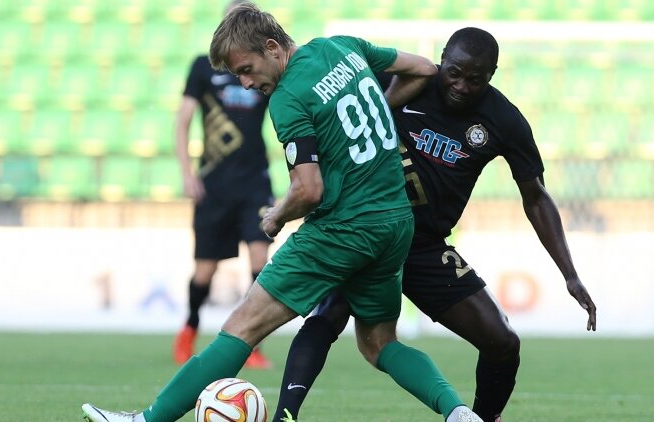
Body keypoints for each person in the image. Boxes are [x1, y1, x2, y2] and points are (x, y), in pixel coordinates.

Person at [81, 4, 483, 422]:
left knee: (243, 325)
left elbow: (308, 190)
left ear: (272, 48)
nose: (245, 82)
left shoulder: (288, 97)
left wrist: (276, 216)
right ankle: (456, 411)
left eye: (246, 69)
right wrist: (377, 107)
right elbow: (424, 69)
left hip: (343, 228)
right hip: (394, 222)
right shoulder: (341, 47)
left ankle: (146, 420)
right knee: (379, 343)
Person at [271, 27, 598, 422]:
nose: (460, 86)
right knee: (328, 315)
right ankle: (285, 416)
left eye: (475, 79)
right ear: (442, 58)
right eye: (454, 72)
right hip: (366, 227)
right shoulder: (401, 84)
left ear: (492, 75)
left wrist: (570, 274)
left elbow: (536, 197)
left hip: (424, 246)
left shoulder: (504, 120)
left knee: (502, 342)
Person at [171, 0, 274, 369]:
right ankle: (189, 328)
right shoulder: (204, 67)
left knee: (261, 260)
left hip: (255, 181)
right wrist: (188, 173)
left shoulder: (263, 69)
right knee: (205, 270)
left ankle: (251, 341)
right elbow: (183, 121)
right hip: (214, 184)